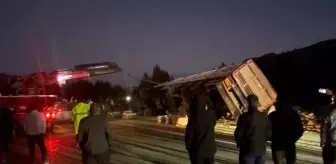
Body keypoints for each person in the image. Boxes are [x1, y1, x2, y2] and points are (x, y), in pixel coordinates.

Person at [185, 89, 220, 164]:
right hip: (210, 150)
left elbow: (189, 137)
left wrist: (189, 150)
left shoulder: (193, 119)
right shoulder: (211, 115)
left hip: (198, 151)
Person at [234, 94, 272, 164]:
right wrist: (262, 140)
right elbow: (269, 133)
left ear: (247, 103)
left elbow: (239, 134)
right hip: (261, 150)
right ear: (257, 103)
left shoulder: (243, 117)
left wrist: (239, 144)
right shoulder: (264, 117)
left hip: (247, 149)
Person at [269, 97, 303, 164]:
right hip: (289, 145)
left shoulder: (272, 116)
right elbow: (300, 131)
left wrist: (272, 138)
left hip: (277, 145)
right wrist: (293, 140)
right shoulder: (293, 115)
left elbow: (267, 130)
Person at [321, 91, 336, 164]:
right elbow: (325, 128)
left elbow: (325, 128)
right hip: (330, 143)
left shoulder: (330, 111)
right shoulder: (330, 111)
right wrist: (323, 142)